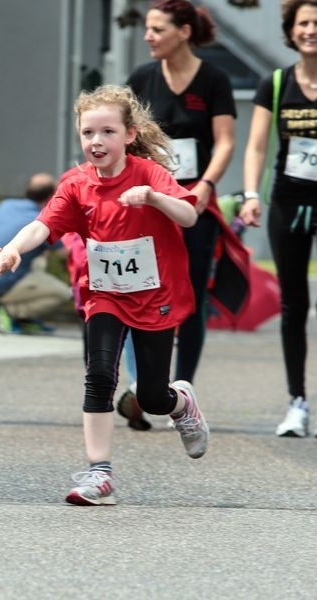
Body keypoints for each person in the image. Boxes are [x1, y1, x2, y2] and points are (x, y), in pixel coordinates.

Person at [0, 84, 210, 506]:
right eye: (88, 133)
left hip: (155, 293)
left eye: (107, 132)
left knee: (151, 397)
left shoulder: (149, 174)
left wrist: (154, 198)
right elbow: (43, 225)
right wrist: (13, 249)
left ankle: (180, 403)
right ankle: (100, 473)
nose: (96, 141)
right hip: (105, 293)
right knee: (100, 375)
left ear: (129, 134)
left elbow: (188, 215)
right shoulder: (76, 184)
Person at [120, 0, 238, 431]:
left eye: (158, 29)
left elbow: (225, 142)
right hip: (147, 203)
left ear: (184, 32)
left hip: (193, 204)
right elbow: (124, 139)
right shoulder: (141, 79)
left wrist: (206, 184)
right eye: (147, 28)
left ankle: (182, 391)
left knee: (190, 297)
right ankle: (142, 387)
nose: (148, 36)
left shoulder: (214, 80)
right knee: (138, 292)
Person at [241, 0, 317, 438]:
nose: (311, 30)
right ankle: (297, 402)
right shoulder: (275, 83)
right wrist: (251, 194)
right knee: (294, 305)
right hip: (287, 203)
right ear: (291, 30)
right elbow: (256, 146)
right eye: (304, 23)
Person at [0, 172, 73, 335]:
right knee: (63, 293)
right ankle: (10, 311)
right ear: (52, 195)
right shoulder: (42, 219)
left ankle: (20, 316)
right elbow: (64, 253)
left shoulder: (6, 205)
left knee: (39, 259)